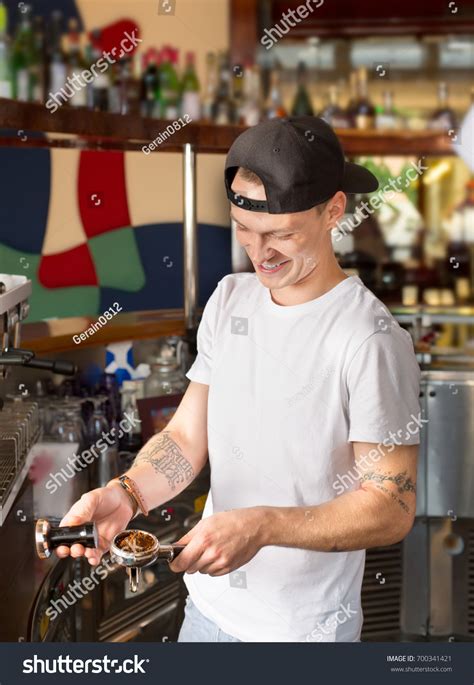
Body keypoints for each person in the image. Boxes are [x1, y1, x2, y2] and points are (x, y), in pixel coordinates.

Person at [56, 116, 420, 643]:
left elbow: (392, 505)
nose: (259, 252)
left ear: (334, 211)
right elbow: (185, 439)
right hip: (206, 613)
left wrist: (263, 525)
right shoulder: (230, 300)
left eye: (281, 234)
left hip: (303, 634)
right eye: (243, 229)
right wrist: (127, 494)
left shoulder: (369, 338)